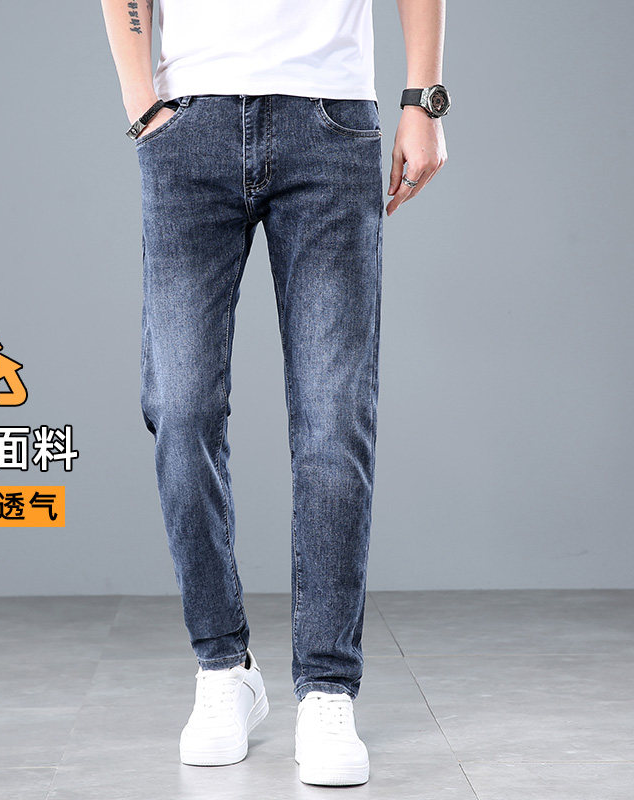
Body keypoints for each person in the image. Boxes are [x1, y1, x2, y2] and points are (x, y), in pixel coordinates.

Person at [101, 0, 448, 787]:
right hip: (188, 122)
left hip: (329, 121)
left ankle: (327, 688)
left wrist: (422, 101)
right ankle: (223, 668)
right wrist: (141, 105)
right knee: (180, 406)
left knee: (334, 418)